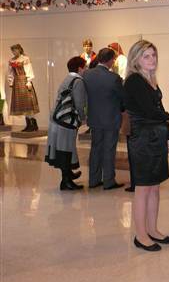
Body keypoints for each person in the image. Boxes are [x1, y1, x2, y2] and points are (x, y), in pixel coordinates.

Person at [124, 40, 169, 252]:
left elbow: (158, 110)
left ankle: (152, 229)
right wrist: (168, 116)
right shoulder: (134, 81)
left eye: (153, 55)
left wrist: (168, 135)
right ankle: (141, 235)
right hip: (142, 140)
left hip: (155, 137)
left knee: (154, 187)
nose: (152, 59)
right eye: (146, 56)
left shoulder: (151, 79)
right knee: (143, 189)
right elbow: (151, 111)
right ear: (136, 60)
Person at [82, 47, 125, 189]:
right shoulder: (114, 78)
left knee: (95, 149)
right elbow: (122, 98)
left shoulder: (87, 74)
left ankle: (93, 180)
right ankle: (108, 181)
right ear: (111, 60)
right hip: (111, 119)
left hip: (94, 118)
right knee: (109, 150)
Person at [45, 56, 87, 190]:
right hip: (66, 121)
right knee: (66, 148)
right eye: (85, 67)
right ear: (80, 68)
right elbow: (79, 103)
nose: (86, 69)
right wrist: (83, 118)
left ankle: (68, 174)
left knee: (64, 147)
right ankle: (66, 181)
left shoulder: (68, 78)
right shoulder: (78, 81)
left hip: (58, 119)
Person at [7, 44, 40, 132]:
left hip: (24, 81)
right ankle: (28, 124)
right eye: (13, 50)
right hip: (17, 83)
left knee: (28, 104)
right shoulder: (11, 60)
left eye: (15, 50)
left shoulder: (25, 59)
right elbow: (10, 72)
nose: (14, 52)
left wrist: (29, 81)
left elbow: (29, 69)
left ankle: (33, 124)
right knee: (23, 106)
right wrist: (11, 81)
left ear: (19, 50)